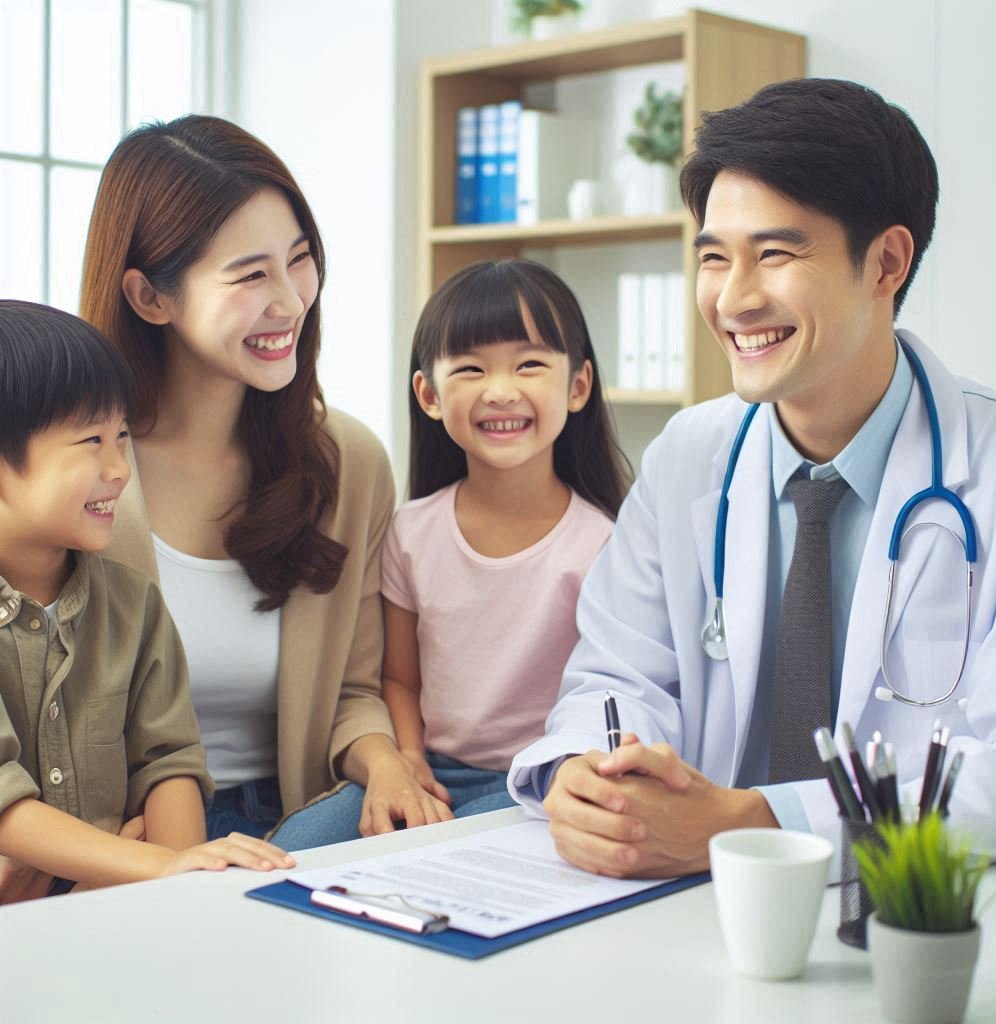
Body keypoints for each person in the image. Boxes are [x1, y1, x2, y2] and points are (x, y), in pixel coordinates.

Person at [509, 78, 996, 878]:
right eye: (714, 258)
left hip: (910, 922)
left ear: (886, 261)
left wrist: (764, 822)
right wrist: (584, 773)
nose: (734, 298)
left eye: (775, 254)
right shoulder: (689, 456)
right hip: (691, 913)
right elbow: (615, 678)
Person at [78, 115, 446, 849]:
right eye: (250, 275)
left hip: (297, 826)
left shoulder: (347, 462)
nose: (290, 300)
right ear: (151, 297)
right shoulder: (74, 472)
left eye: (300, 259)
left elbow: (353, 691)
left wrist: (389, 766)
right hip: (124, 837)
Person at [270, 259, 632, 847]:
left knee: (440, 858)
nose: (500, 390)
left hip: (540, 777)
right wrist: (407, 758)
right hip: (429, 767)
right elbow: (400, 680)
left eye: (530, 364)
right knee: (295, 849)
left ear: (578, 387)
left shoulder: (602, 544)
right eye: (470, 369)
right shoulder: (412, 532)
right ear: (429, 395)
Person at [0, 301, 294, 901]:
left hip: (114, 905)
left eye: (123, 437)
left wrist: (173, 877)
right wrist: (148, 866)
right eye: (90, 440)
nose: (118, 468)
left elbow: (169, 758)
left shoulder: (134, 605)